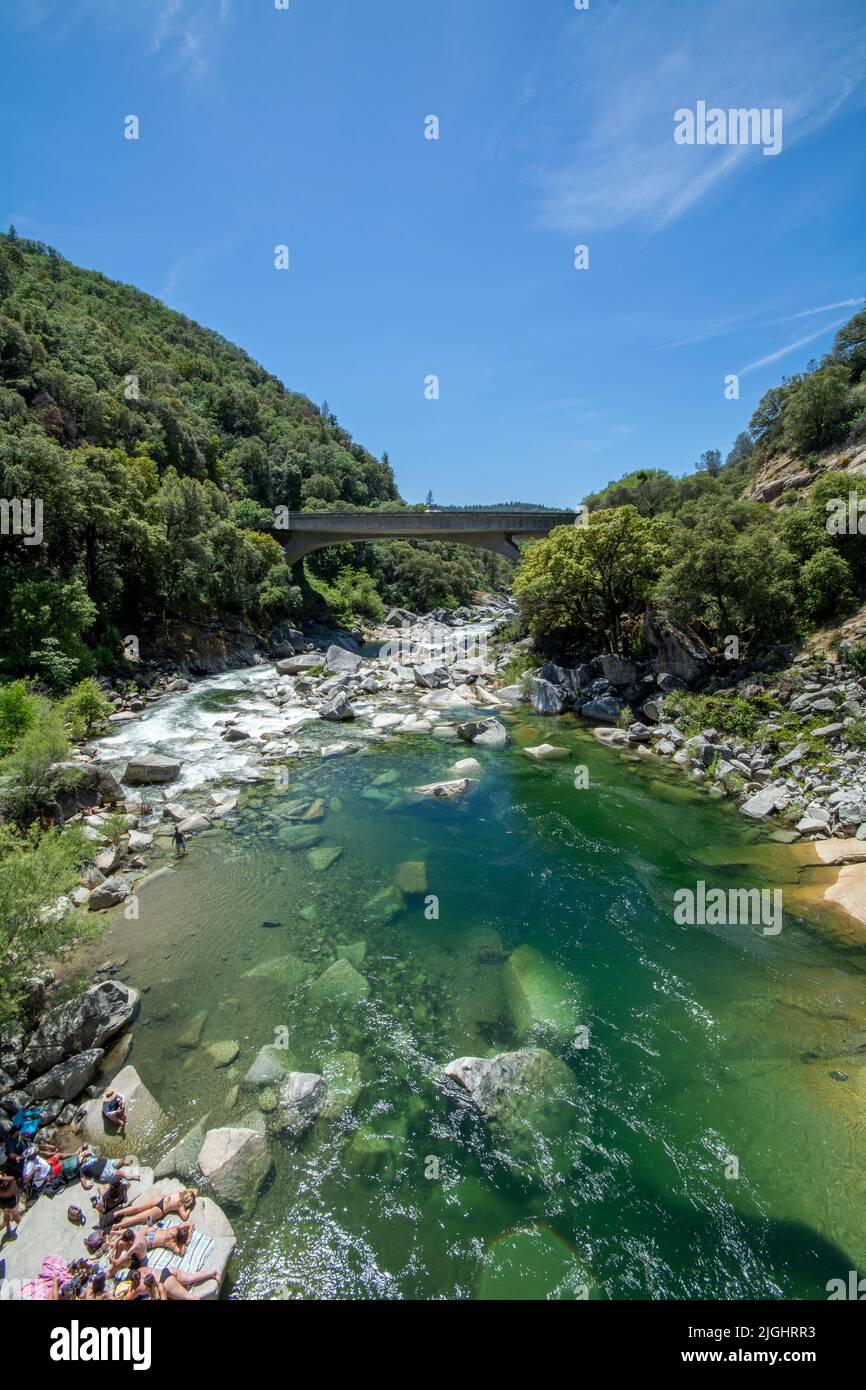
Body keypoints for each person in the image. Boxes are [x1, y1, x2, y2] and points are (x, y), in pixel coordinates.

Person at [111, 1187, 197, 1229]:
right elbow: (184, 1217)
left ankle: (118, 1213)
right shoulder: (180, 1206)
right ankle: (117, 1225)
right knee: (137, 1219)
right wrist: (189, 1209)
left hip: (159, 1199)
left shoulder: (180, 1192)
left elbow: (194, 1190)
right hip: (160, 1210)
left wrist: (193, 1192)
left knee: (139, 1208)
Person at [0, 1171, 22, 1238]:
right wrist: (2, 1178)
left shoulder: (10, 1182)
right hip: (8, 1199)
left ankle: (10, 1229)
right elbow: (12, 1179)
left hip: (4, 1199)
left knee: (9, 1214)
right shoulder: (10, 1182)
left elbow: (12, 1178)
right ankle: (20, 1226)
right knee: (13, 1213)